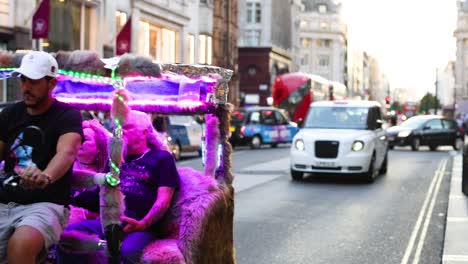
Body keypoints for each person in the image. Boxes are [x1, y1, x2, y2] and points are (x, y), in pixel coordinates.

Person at [57, 110, 180, 263]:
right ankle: (103, 247)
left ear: (145, 132)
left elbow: (163, 201)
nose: (121, 133)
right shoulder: (116, 159)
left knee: (126, 252)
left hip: (139, 227)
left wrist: (143, 224)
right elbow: (98, 196)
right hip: (107, 223)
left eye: (127, 128)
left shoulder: (161, 158)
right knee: (67, 238)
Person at [0, 51, 83, 264]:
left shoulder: (68, 115)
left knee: (21, 245)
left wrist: (45, 177)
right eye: (23, 80)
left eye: (34, 81)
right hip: (4, 200)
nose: (26, 87)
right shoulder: (10, 113)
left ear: (51, 84)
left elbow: (67, 152)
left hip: (45, 204)